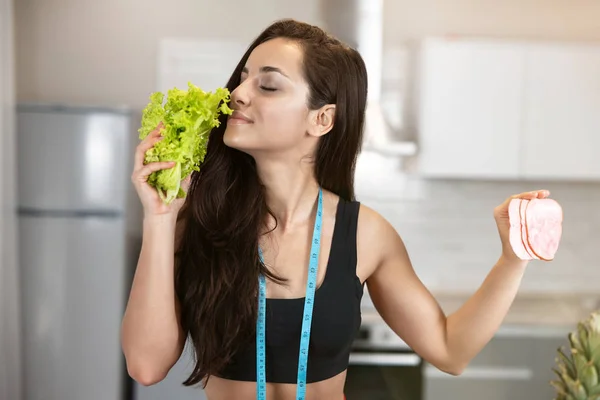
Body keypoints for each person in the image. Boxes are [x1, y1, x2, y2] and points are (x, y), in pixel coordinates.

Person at [121, 18, 550, 400]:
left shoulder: (365, 234)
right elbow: (146, 365)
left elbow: (450, 350)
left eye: (266, 85)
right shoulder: (199, 220)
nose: (237, 94)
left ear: (321, 120)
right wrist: (159, 220)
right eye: (242, 78)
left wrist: (513, 259)